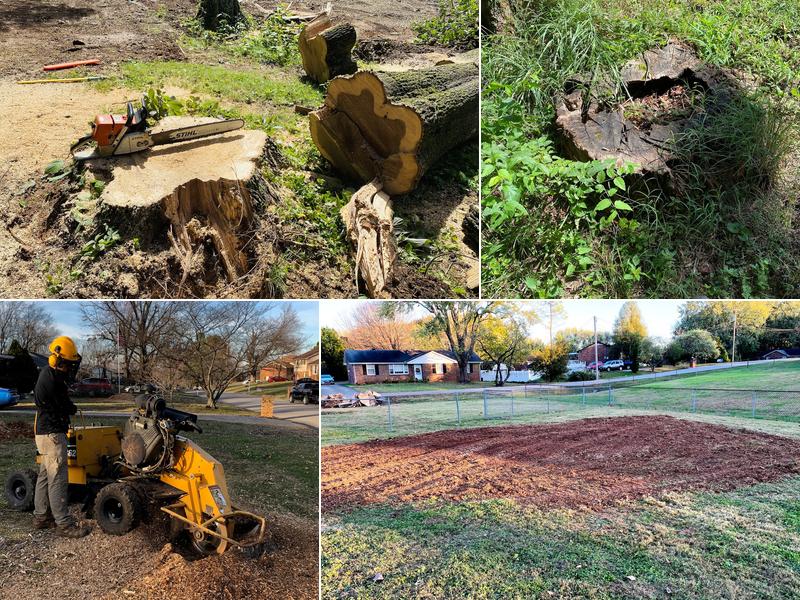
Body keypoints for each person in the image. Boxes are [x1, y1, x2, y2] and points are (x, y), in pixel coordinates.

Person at [32, 336, 91, 538]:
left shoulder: (49, 374)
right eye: (68, 364)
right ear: (59, 361)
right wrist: (71, 408)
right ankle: (63, 524)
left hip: (44, 432)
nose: (70, 369)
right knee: (57, 477)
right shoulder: (52, 380)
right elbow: (65, 405)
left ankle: (41, 517)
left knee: (44, 475)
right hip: (52, 434)